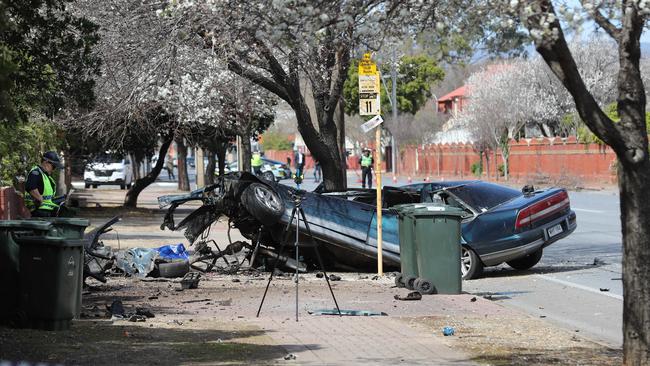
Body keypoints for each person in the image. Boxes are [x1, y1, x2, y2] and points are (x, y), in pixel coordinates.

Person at [24, 151, 63, 217]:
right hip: (40, 212)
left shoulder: (44, 175)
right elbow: (31, 187)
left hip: (46, 211)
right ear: (46, 162)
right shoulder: (36, 173)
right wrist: (41, 201)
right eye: (53, 166)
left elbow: (47, 196)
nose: (54, 169)